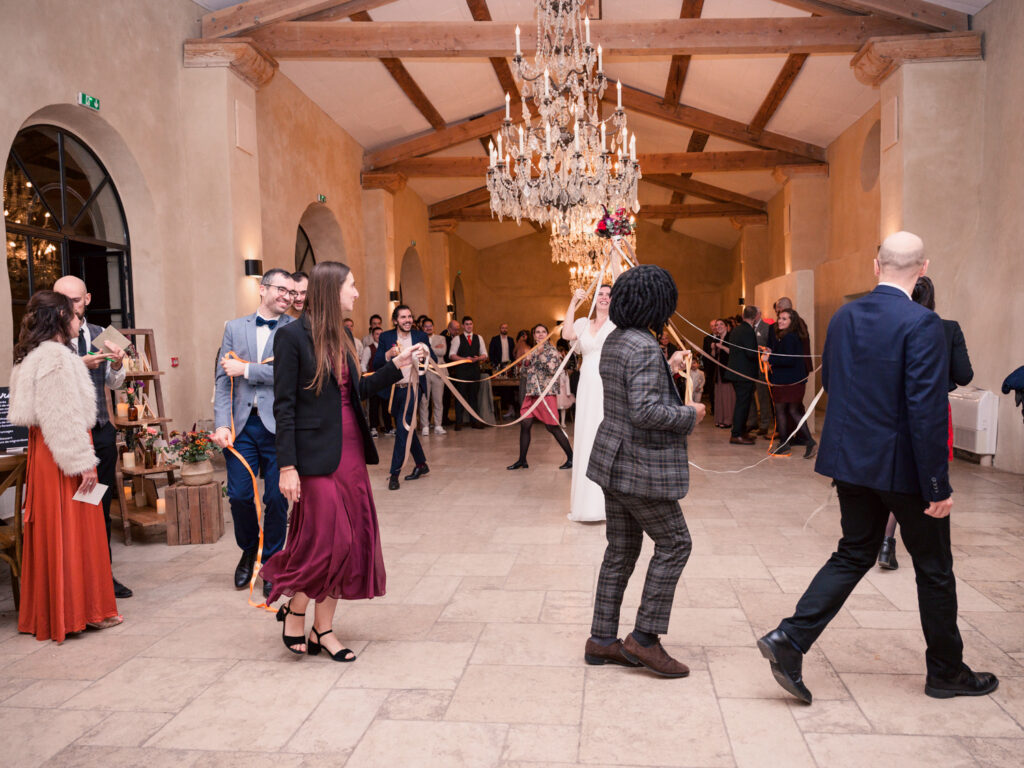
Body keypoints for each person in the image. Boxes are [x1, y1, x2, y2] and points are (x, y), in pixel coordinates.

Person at [757, 231, 997, 704]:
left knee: (853, 553)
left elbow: (838, 386)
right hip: (903, 469)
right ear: (923, 268)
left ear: (875, 267)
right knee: (934, 568)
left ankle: (790, 638)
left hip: (852, 461)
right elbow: (925, 411)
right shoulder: (923, 323)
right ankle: (946, 672)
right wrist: (936, 485)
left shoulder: (845, 317)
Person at [262, 261, 427, 660]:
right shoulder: (290, 337)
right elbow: (283, 407)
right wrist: (287, 466)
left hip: (351, 449)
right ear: (332, 289)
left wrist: (397, 367)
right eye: (351, 286)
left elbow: (359, 390)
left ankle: (325, 628)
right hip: (313, 458)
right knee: (324, 541)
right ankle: (295, 609)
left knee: (350, 541)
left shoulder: (344, 336)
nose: (355, 293)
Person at [584, 265, 705, 676]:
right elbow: (646, 411)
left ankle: (601, 640)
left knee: (620, 550)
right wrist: (690, 413)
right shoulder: (644, 346)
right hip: (638, 466)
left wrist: (667, 368)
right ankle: (645, 639)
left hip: (612, 461)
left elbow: (633, 388)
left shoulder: (619, 339)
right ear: (657, 303)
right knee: (675, 543)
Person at [9, 291, 122, 642]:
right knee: (76, 531)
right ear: (59, 316)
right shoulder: (58, 358)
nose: (78, 320)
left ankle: (53, 609)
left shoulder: (33, 355)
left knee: (55, 533)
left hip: (45, 456)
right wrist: (83, 464)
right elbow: (62, 417)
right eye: (73, 314)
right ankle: (79, 610)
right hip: (64, 456)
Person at [878, 275, 973, 570]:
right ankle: (925, 545)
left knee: (897, 472)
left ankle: (886, 541)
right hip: (932, 408)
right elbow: (965, 375)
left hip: (890, 410)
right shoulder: (947, 328)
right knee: (928, 470)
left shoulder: (887, 326)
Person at [212, 268, 295, 599]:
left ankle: (272, 562)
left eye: (291, 293)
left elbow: (291, 374)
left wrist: (247, 369)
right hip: (242, 426)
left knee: (276, 499)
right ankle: (249, 549)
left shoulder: (295, 329)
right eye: (281, 290)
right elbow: (222, 378)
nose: (287, 297)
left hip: (281, 427)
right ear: (262, 289)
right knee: (239, 495)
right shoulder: (234, 328)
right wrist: (221, 423)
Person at [52, 275, 132, 599]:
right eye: (62, 299)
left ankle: (104, 577)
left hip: (100, 433)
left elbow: (115, 384)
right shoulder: (51, 338)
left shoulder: (103, 334)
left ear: (87, 298)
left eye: (75, 299)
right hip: (66, 437)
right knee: (71, 510)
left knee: (99, 507)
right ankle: (74, 581)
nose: (70, 305)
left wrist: (117, 363)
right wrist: (78, 364)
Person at [562, 285, 615, 523]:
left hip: (609, 384)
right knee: (586, 436)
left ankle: (608, 504)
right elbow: (565, 334)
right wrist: (573, 302)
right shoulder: (583, 323)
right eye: (600, 294)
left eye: (608, 295)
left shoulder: (618, 324)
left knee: (605, 435)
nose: (604, 298)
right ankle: (585, 504)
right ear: (594, 300)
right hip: (586, 384)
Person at [373, 305, 436, 490]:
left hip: (413, 389)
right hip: (394, 391)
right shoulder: (386, 337)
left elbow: (434, 361)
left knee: (402, 428)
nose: (407, 320)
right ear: (395, 320)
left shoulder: (420, 336)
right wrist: (387, 355)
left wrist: (425, 355)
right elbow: (377, 363)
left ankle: (394, 473)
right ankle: (421, 464)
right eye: (403, 317)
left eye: (409, 316)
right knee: (407, 428)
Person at [507, 324, 573, 470]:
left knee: (552, 427)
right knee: (525, 425)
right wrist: (528, 360)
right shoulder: (532, 350)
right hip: (531, 393)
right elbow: (524, 370)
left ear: (547, 334)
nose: (540, 334)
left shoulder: (552, 351)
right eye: (537, 332)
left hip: (545, 393)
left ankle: (571, 457)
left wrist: (540, 354)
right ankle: (522, 460)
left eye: (543, 332)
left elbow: (552, 370)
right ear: (534, 334)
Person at [762, 308, 817, 458]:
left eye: (784, 319)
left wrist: (769, 358)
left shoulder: (790, 337)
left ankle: (801, 443)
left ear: (792, 322)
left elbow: (789, 360)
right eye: (780, 318)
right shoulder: (788, 336)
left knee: (785, 411)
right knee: (791, 411)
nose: (780, 321)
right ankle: (787, 444)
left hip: (788, 382)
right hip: (789, 381)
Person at [725, 306, 760, 445]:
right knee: (742, 404)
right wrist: (760, 351)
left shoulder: (736, 329)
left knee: (744, 404)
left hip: (736, 373)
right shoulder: (748, 330)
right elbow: (750, 353)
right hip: (744, 374)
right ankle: (736, 434)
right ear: (756, 316)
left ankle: (742, 431)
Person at [449, 316, 487, 430]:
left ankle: (474, 421)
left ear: (473, 325)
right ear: (462, 326)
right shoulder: (457, 339)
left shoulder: (479, 338)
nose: (469, 326)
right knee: (460, 396)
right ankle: (459, 422)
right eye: (466, 324)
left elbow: (485, 354)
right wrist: (464, 359)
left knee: (473, 397)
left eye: (470, 324)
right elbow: (451, 355)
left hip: (475, 371)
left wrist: (479, 358)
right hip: (462, 372)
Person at [361, 327, 391, 438]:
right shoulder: (369, 349)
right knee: (373, 405)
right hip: (373, 381)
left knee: (386, 405)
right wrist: (367, 378)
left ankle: (389, 427)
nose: (379, 336)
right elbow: (363, 365)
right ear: (373, 336)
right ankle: (373, 428)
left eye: (381, 334)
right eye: (377, 334)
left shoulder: (387, 348)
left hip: (385, 380)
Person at [419, 318, 447, 436]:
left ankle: (438, 425)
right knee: (424, 401)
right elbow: (419, 354)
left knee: (438, 400)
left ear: (433, 327)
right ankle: (425, 426)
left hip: (438, 373)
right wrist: (435, 348)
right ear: (422, 328)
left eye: (430, 326)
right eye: (426, 326)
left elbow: (442, 352)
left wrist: (427, 350)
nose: (428, 328)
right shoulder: (419, 339)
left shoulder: (441, 338)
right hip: (423, 373)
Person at [751, 310, 773, 436]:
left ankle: (765, 424)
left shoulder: (766, 327)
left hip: (762, 367)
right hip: (750, 366)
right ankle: (752, 421)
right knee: (750, 395)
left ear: (758, 314)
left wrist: (763, 350)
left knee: (763, 396)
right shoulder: (749, 327)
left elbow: (770, 345)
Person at [489, 322, 517, 417]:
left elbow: (513, 354)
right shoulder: (495, 339)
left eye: (506, 328)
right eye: (502, 328)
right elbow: (491, 353)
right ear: (500, 329)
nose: (504, 329)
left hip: (509, 367)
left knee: (510, 387)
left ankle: (511, 408)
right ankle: (503, 409)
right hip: (499, 367)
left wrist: (512, 365)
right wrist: (495, 364)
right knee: (500, 388)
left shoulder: (511, 340)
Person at [711, 320, 734, 429]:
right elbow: (713, 356)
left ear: (726, 326)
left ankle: (728, 420)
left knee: (727, 396)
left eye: (721, 324)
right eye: (717, 325)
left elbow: (733, 352)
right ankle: (719, 419)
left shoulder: (730, 337)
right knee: (719, 395)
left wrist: (722, 347)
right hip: (718, 371)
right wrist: (713, 349)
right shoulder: (716, 338)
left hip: (727, 371)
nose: (718, 326)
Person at [440, 319, 461, 426]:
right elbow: (446, 354)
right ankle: (443, 418)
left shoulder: (453, 337)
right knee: (445, 396)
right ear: (450, 328)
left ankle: (445, 417)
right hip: (446, 369)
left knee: (448, 396)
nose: (457, 332)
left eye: (458, 330)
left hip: (452, 370)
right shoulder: (445, 336)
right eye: (455, 330)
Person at [555, 338, 577, 427]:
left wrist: (568, 392)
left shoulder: (565, 371)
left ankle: (563, 422)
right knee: (556, 407)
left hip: (563, 389)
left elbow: (567, 380)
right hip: (557, 388)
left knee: (563, 407)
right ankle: (556, 421)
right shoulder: (557, 361)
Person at [701, 319, 717, 414]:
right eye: (712, 326)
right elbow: (705, 354)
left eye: (715, 325)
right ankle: (713, 408)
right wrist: (706, 369)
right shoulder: (707, 339)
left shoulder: (723, 337)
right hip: (711, 368)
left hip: (721, 368)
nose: (714, 328)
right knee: (712, 389)